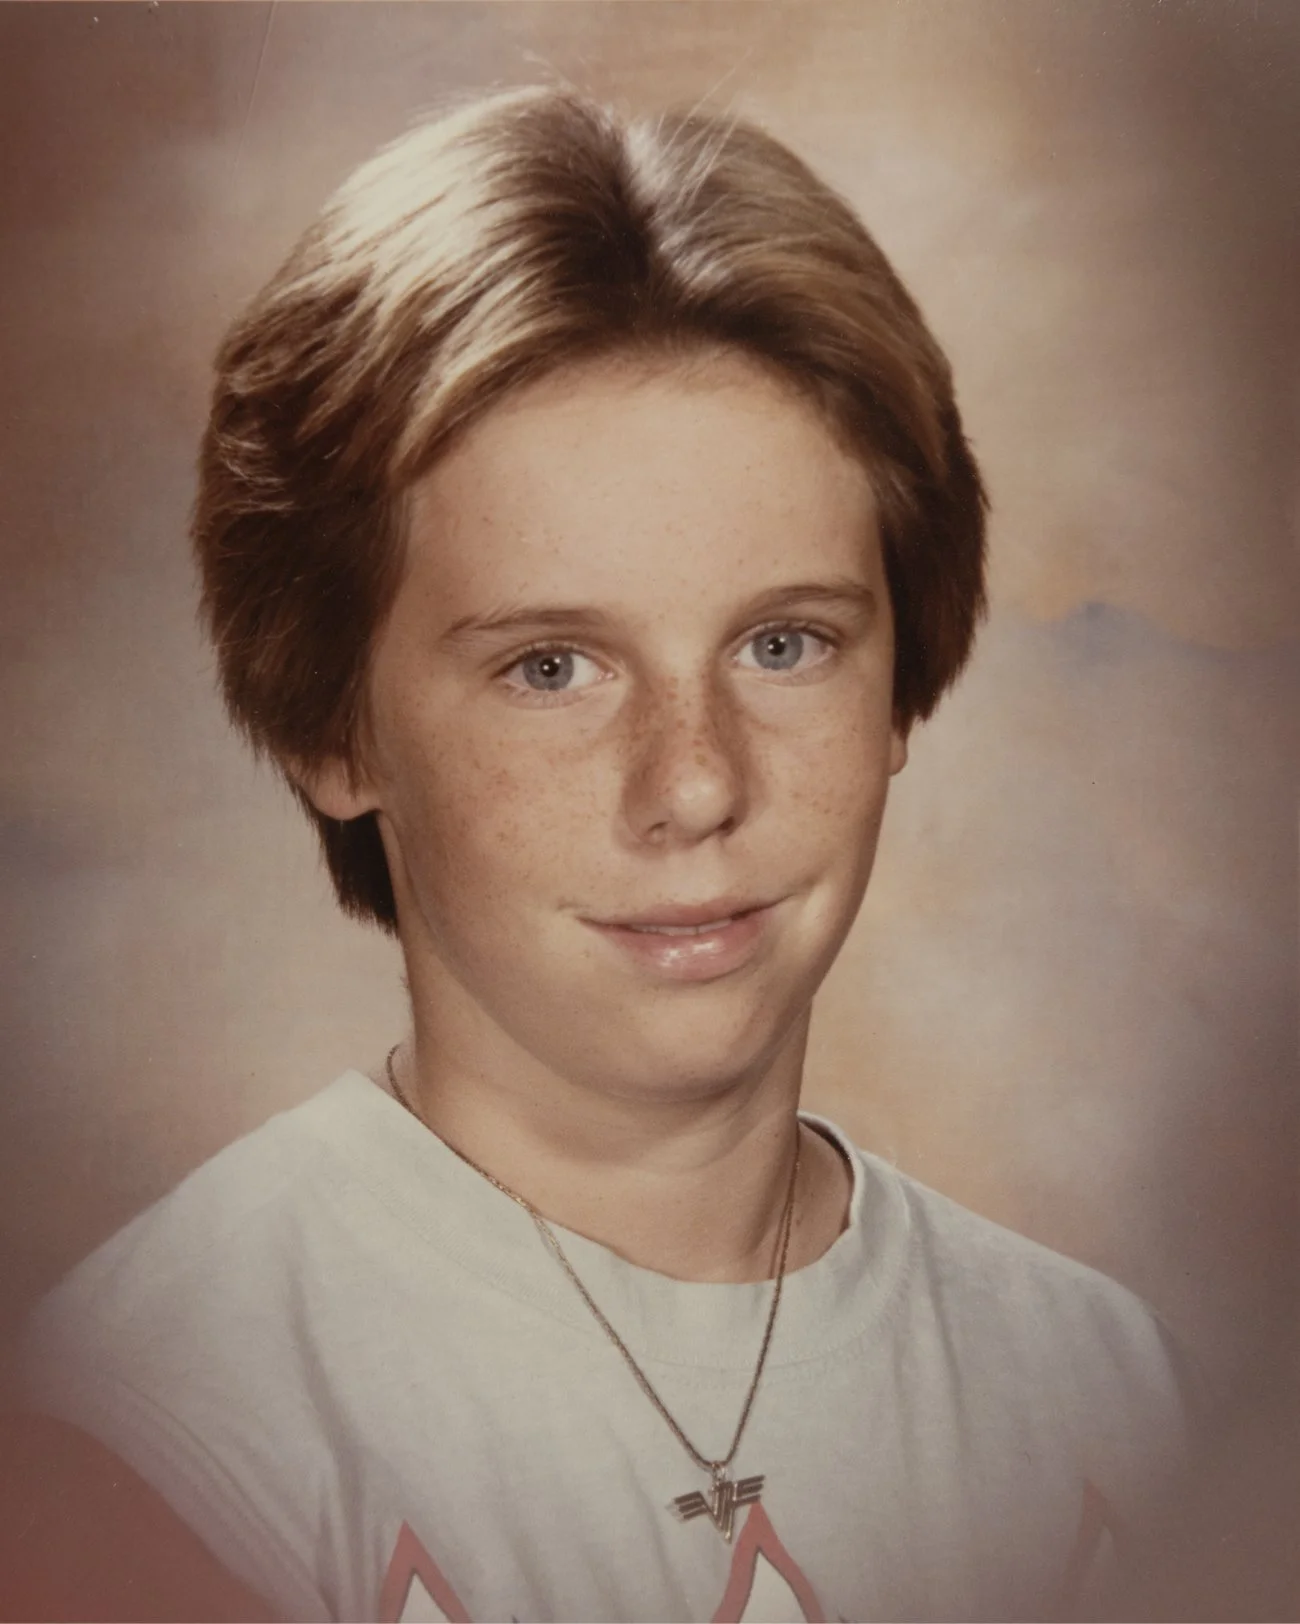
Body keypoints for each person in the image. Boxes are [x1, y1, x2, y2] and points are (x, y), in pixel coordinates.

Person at [4, 87, 1194, 1623]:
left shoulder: (1106, 1389)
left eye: (784, 642)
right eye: (552, 667)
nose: (694, 784)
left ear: (905, 679)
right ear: (331, 728)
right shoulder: (152, 1428)